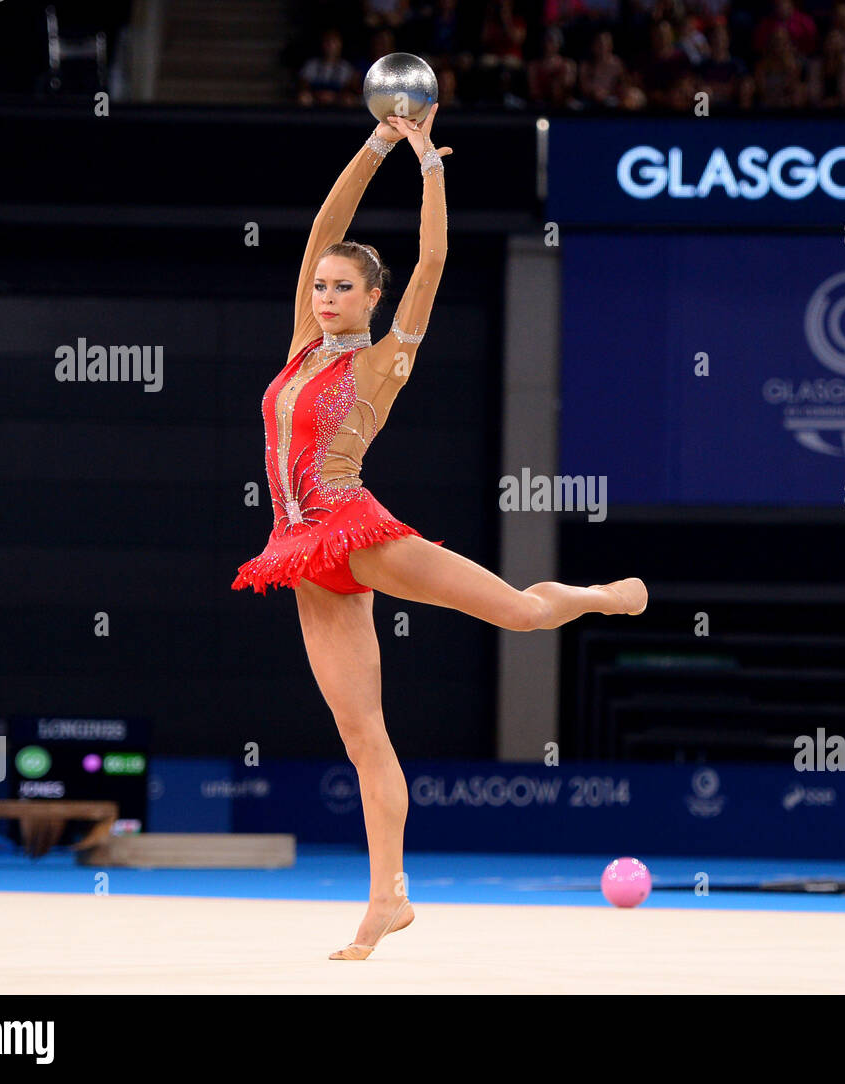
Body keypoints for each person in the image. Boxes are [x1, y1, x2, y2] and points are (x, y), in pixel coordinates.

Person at [231, 104, 648, 959]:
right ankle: (388, 898)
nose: (327, 295)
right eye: (321, 286)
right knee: (361, 734)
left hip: (355, 527)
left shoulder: (381, 358)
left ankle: (597, 596)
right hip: (299, 550)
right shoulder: (303, 347)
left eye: (344, 288)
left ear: (373, 301)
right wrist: (377, 141)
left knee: (521, 616)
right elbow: (326, 224)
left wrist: (427, 165)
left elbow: (434, 258)